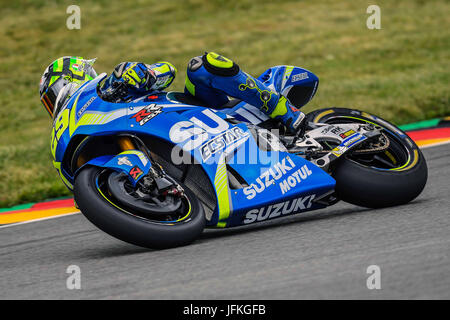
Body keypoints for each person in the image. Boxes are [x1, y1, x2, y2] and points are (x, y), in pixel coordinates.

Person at [40, 52, 317, 134]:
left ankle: (282, 109)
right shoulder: (78, 126)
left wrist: (144, 74)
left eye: (55, 91)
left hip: (202, 113)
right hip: (177, 139)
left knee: (202, 65)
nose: (56, 100)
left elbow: (168, 70)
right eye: (50, 100)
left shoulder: (112, 88)